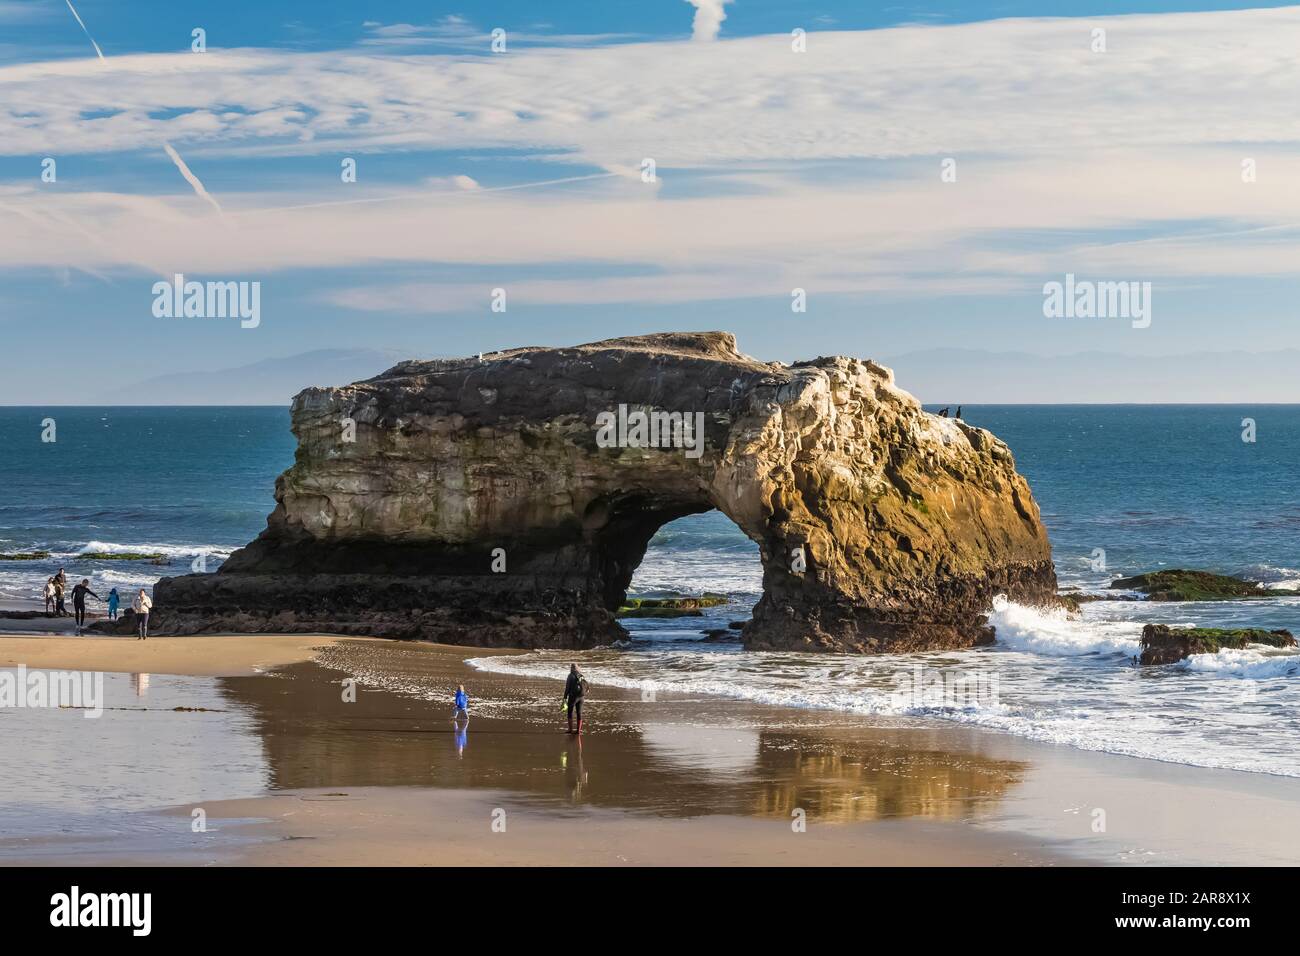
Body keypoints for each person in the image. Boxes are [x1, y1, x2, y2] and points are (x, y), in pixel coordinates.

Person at [562, 664, 588, 735]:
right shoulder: (581, 675)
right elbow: (586, 687)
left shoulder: (570, 676)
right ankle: (578, 731)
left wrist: (565, 697)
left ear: (572, 668)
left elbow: (567, 688)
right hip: (581, 697)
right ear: (577, 668)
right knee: (579, 713)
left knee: (570, 712)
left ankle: (570, 730)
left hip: (573, 697)